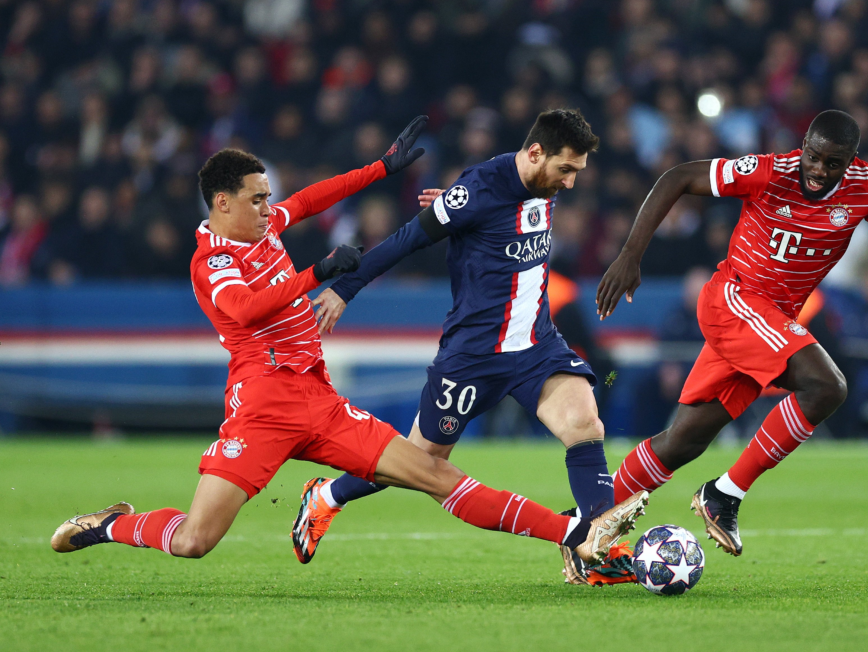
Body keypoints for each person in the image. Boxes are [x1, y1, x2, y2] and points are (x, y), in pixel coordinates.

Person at [50, 118, 648, 569]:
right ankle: (112, 526)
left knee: (435, 475)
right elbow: (244, 308)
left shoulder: (262, 226)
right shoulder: (213, 263)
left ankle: (579, 537)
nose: (270, 208)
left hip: (318, 397)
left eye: (268, 197)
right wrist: (320, 275)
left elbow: (311, 199)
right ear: (222, 204)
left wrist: (381, 169)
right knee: (194, 540)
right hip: (261, 406)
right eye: (258, 200)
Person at [596, 110, 868, 558]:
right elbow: (678, 177)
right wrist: (630, 254)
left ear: (852, 161)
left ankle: (588, 523)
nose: (819, 170)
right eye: (813, 157)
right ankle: (724, 495)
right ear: (803, 145)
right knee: (827, 386)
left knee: (683, 440)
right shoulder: (766, 171)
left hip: (768, 322)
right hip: (734, 300)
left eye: (833, 163)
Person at [296, 109, 621, 583]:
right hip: (472, 357)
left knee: (585, 424)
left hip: (536, 346)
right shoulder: (482, 189)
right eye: (565, 170)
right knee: (419, 461)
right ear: (535, 153)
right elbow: (407, 239)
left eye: (576, 173)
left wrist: (453, 206)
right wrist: (346, 288)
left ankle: (594, 548)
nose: (570, 184)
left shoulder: (536, 185)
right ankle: (327, 496)